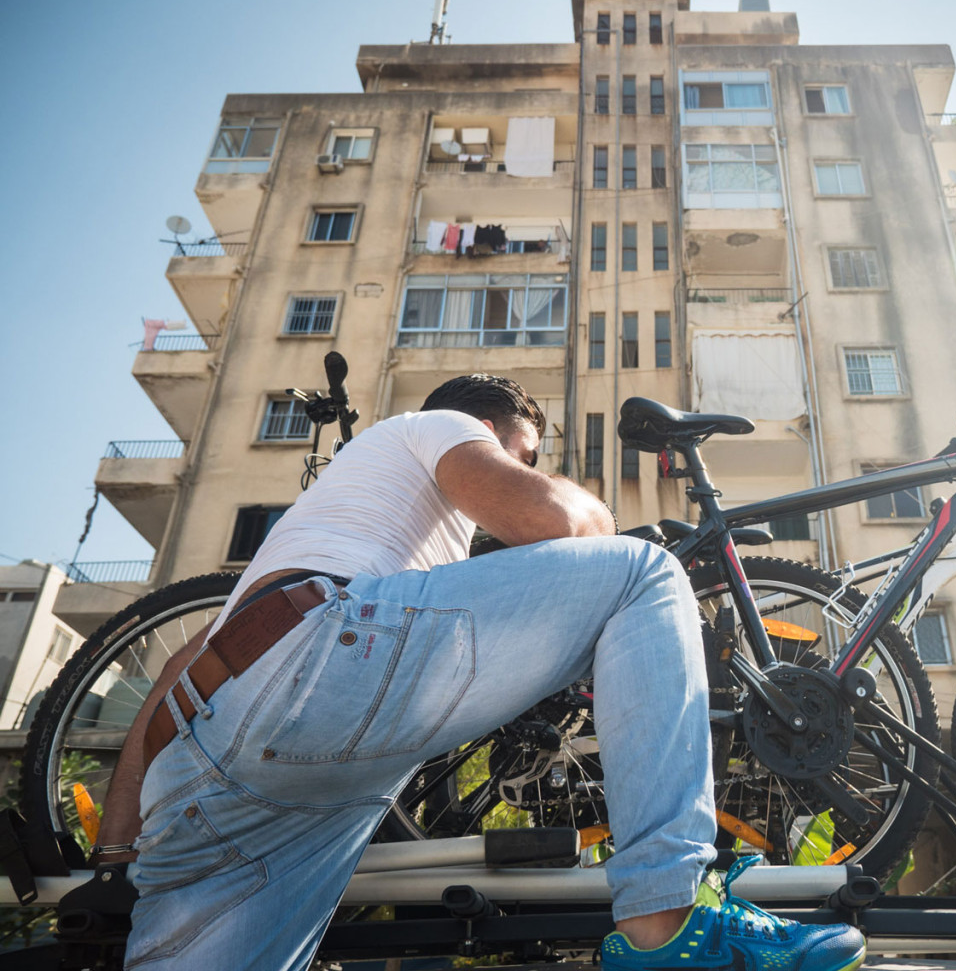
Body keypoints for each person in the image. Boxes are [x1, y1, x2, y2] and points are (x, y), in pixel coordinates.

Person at [94, 374, 867, 971]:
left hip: (206, 772)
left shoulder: (314, 538)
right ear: (493, 428)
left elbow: (173, 688)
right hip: (322, 671)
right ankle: (667, 918)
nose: (518, 465)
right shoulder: (439, 423)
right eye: (522, 454)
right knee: (641, 572)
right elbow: (555, 523)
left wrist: (114, 855)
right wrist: (582, 515)